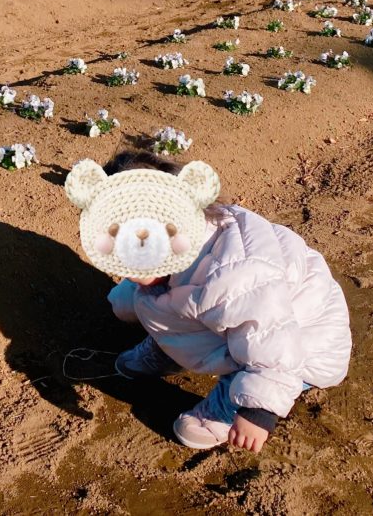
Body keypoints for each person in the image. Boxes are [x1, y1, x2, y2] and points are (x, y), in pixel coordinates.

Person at [64, 150, 352, 453]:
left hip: (302, 346)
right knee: (164, 303)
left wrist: (258, 412)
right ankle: (168, 350)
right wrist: (130, 297)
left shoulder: (233, 277)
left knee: (245, 347)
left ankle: (228, 404)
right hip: (250, 317)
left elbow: (272, 342)